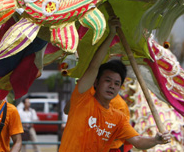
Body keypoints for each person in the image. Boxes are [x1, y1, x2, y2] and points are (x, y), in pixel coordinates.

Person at [59, 17, 171, 152]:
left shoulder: (119, 117)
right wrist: (111, 34)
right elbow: (94, 66)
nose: (112, 85)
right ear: (96, 82)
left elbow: (137, 141)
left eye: (117, 83)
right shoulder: (82, 97)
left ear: (120, 87)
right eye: (107, 80)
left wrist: (155, 140)